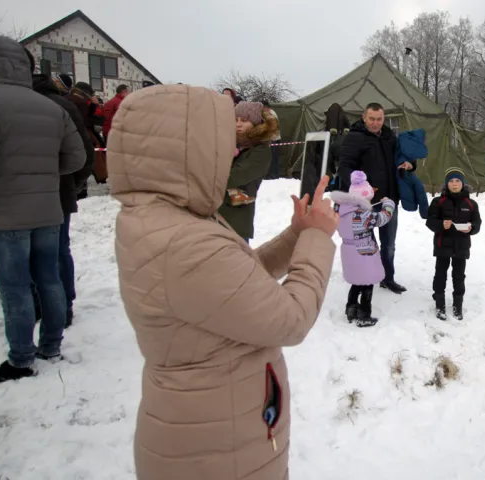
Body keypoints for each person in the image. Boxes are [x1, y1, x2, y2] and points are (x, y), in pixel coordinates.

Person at [107, 84, 339, 479]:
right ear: (185, 147)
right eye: (221, 142)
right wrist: (317, 237)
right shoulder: (183, 242)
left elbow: (238, 279)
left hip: (214, 429)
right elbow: (292, 319)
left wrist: (297, 234)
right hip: (221, 445)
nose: (230, 153)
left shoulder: (166, 218)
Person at [0, 35, 86, 384]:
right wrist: (42, 173)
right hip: (48, 210)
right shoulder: (53, 107)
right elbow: (77, 158)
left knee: (14, 287)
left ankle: (21, 359)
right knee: (49, 278)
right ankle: (51, 346)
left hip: (2, 214)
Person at [26, 48, 96, 328]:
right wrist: (72, 186)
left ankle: (46, 306)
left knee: (40, 252)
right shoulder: (64, 105)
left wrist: (72, 184)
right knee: (56, 249)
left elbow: (84, 153)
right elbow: (85, 156)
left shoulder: (62, 106)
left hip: (20, 198)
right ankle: (61, 305)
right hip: (56, 193)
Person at [338, 102, 411, 294]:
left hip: (389, 199)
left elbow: (403, 158)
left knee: (389, 245)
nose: (375, 123)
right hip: (365, 203)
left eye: (379, 119)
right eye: (372, 119)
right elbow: (344, 166)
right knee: (366, 245)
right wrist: (355, 180)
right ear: (364, 117)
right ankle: (365, 279)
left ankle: (388, 278)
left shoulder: (389, 137)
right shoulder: (355, 137)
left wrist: (409, 164)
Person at [330, 171, 396, 327]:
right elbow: (382, 218)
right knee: (367, 283)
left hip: (348, 250)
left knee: (356, 281)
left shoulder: (341, 211)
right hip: (364, 251)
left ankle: (351, 310)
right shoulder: (362, 214)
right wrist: (389, 204)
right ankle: (364, 315)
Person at [426, 168, 482, 320]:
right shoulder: (438, 202)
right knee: (440, 274)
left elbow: (477, 223)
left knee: (459, 276)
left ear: (463, 183)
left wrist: (472, 228)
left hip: (461, 245)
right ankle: (439, 304)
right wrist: (440, 224)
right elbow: (430, 222)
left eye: (457, 181)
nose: (454, 184)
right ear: (446, 184)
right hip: (442, 243)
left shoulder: (471, 203)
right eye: (451, 181)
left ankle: (458, 304)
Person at [219, 101, 278, 242]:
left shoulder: (261, 151)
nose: (238, 124)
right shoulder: (229, 143)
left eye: (244, 121)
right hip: (215, 216)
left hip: (236, 221)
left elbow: (231, 177)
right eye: (235, 120)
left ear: (255, 123)